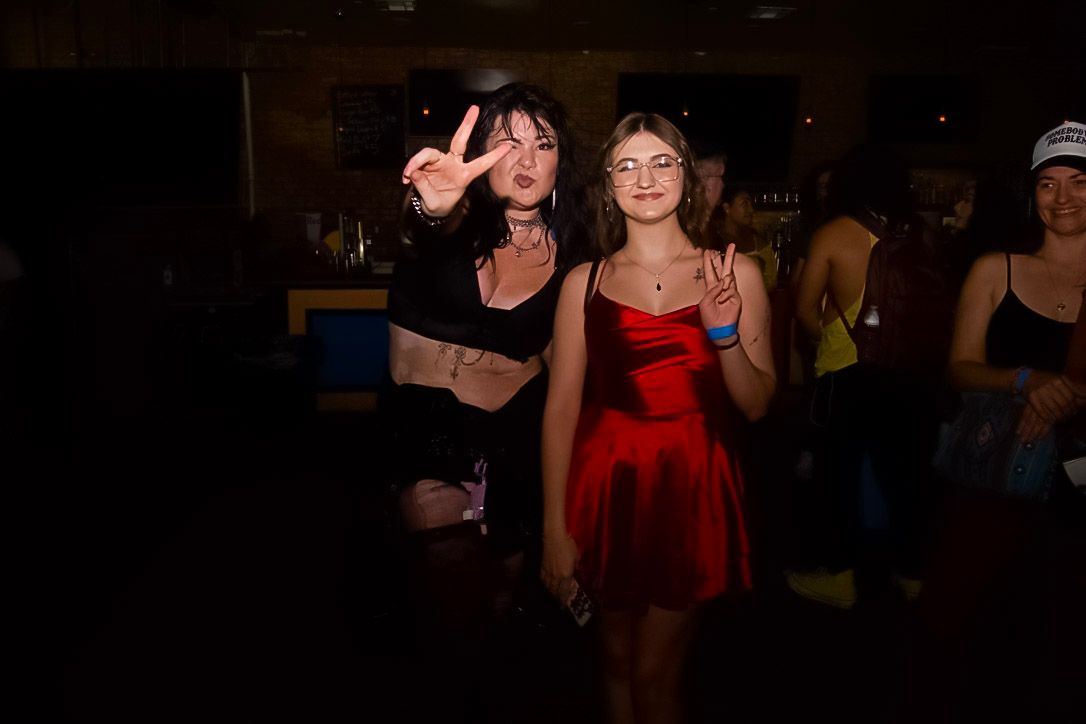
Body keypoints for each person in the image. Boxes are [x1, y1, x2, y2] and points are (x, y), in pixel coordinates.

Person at [540, 113, 776, 724]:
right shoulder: (584, 283)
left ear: (687, 176)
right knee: (616, 664)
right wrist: (553, 529)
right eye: (626, 166)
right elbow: (561, 409)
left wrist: (723, 335)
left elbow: (756, 403)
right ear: (608, 186)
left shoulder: (735, 273)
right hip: (604, 488)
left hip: (692, 489)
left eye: (660, 163)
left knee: (655, 674)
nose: (644, 179)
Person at [384, 82, 588, 722]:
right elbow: (421, 229)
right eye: (508, 142)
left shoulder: (574, 255)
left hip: (513, 437)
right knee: (452, 572)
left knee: (500, 590)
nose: (526, 159)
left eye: (543, 145)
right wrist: (430, 205)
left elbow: (564, 374)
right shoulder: (451, 217)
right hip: (428, 430)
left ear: (559, 163)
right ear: (481, 155)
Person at [904, 121, 1086, 721]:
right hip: (996, 478)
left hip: (1076, 489)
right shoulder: (995, 268)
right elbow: (959, 369)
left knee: (1059, 633)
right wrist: (1026, 381)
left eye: (1080, 182)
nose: (1063, 197)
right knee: (969, 622)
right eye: (1048, 184)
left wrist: (1071, 396)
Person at [789, 144, 938, 608]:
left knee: (839, 475)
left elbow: (803, 309)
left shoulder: (834, 233)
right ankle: (911, 573)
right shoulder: (922, 233)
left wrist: (826, 338)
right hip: (912, 374)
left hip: (847, 371)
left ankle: (842, 576)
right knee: (906, 474)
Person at [720, 187, 778, 290]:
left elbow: (772, 283)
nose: (751, 210)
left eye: (750, 204)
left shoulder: (759, 243)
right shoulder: (715, 242)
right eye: (744, 204)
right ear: (727, 208)